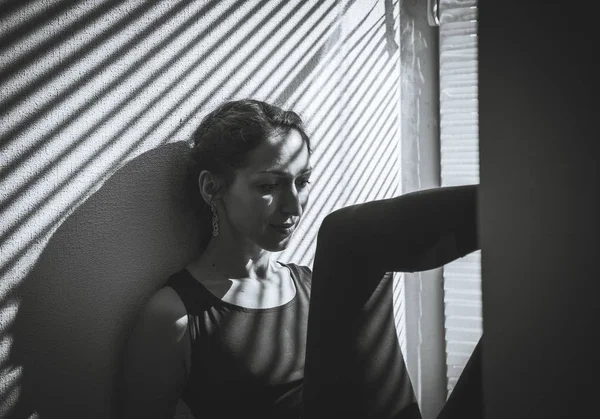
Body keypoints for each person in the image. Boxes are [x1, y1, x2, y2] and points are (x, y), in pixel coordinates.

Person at [120, 99, 481, 419]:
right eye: (268, 186)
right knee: (346, 237)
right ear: (212, 188)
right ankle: (514, 205)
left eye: (302, 182)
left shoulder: (316, 284)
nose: (293, 207)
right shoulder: (174, 316)